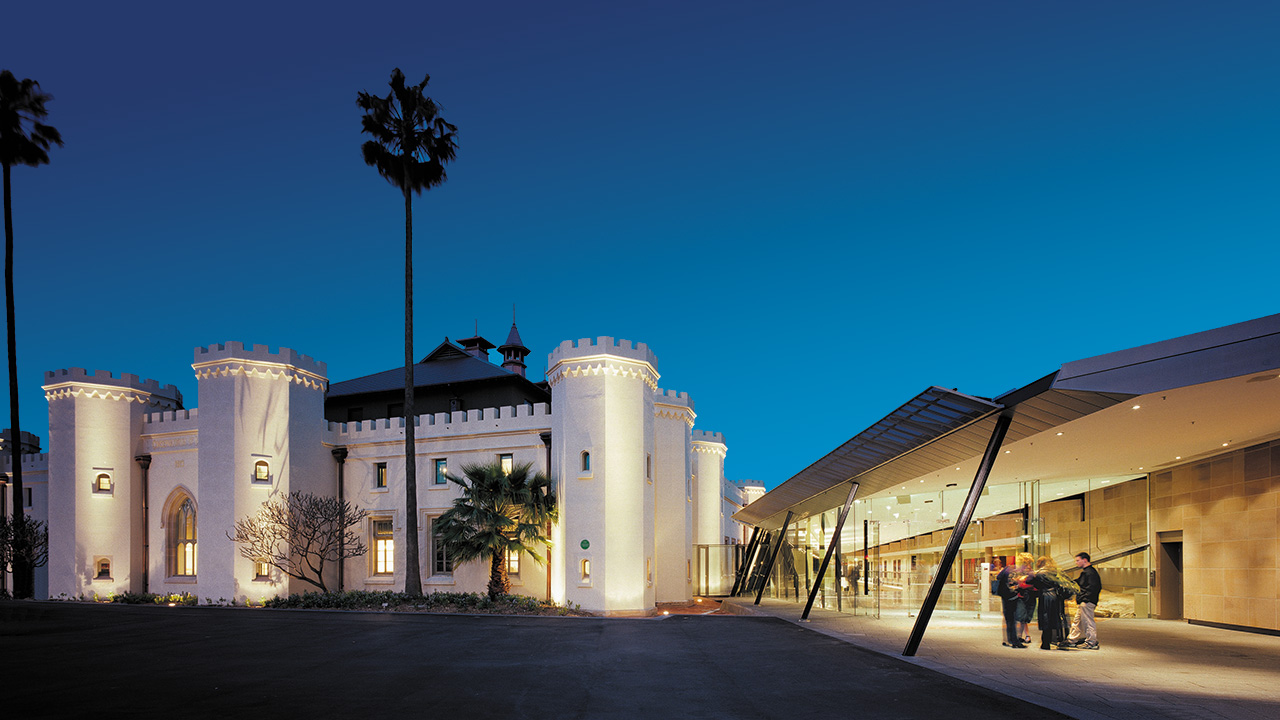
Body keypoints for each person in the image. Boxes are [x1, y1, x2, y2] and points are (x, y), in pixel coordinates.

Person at [1029, 556, 1080, 650]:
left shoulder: (1039, 573)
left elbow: (1033, 583)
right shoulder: (1055, 571)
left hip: (1045, 597)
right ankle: (1060, 639)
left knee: (1045, 619)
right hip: (1056, 597)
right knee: (1056, 619)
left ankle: (1045, 643)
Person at [1067, 552, 1102, 650]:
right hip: (1085, 602)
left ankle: (1091, 642)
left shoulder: (1089, 573)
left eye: (1078, 560)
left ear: (1085, 560)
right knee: (1077, 621)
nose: (1076, 563)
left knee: (1087, 622)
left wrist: (1084, 599)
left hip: (1086, 602)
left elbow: (1093, 588)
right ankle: (1072, 640)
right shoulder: (1088, 572)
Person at [994, 557, 1025, 648]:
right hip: (1012, 597)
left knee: (1008, 619)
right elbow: (1014, 584)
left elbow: (998, 577)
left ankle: (1008, 640)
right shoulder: (1015, 572)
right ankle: (1014, 641)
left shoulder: (1007, 568)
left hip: (1005, 596)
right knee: (1012, 619)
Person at [1012, 552, 1036, 644]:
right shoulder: (1028, 571)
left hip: (1025, 595)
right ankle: (1024, 635)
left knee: (1023, 617)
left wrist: (1019, 581)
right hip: (1026, 595)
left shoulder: (1027, 572)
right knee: (1023, 617)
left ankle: (1022, 635)